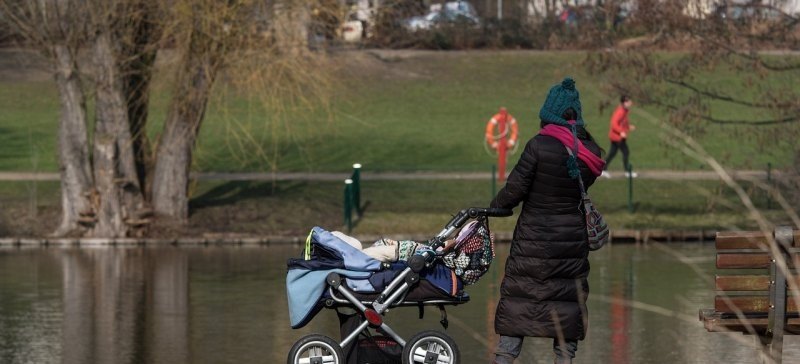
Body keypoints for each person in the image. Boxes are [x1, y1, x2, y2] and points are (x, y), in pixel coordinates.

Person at [489, 77, 605, 364]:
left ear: (548, 114)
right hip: (571, 241)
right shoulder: (590, 152)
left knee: (520, 299)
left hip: (534, 240)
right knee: (566, 304)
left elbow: (515, 189)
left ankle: (504, 358)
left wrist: (494, 209)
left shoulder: (538, 146)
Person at [602, 95, 636, 178]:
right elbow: (614, 124)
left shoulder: (624, 111)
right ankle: (627, 172)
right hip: (617, 137)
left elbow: (623, 122)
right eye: (628, 101)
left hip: (616, 137)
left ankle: (603, 169)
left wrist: (628, 127)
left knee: (612, 153)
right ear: (624, 103)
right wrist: (621, 132)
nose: (630, 103)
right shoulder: (620, 111)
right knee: (626, 152)